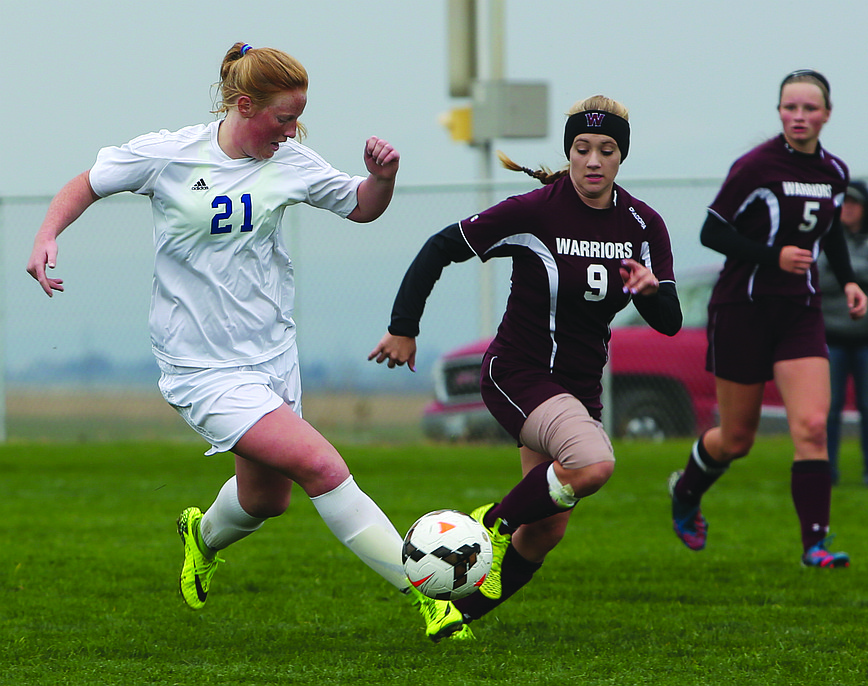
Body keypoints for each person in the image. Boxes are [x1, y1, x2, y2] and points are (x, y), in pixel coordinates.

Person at [25, 43, 467, 642]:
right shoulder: (170, 154)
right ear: (242, 104)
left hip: (272, 357)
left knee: (265, 499)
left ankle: (201, 536)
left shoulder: (291, 160)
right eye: (283, 118)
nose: (292, 130)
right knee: (321, 464)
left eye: (299, 117)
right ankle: (427, 594)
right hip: (201, 367)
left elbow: (361, 208)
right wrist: (48, 235)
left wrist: (382, 179)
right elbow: (87, 183)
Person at [370, 95, 681, 630]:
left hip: (578, 390)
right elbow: (440, 246)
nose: (592, 160)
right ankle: (487, 523)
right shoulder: (536, 210)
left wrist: (650, 292)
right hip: (518, 373)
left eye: (606, 150)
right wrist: (404, 327)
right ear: (569, 152)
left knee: (546, 531)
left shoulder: (642, 225)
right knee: (593, 463)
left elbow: (670, 320)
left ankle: (451, 613)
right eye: (582, 148)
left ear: (620, 158)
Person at [666, 70, 866, 567]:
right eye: (790, 108)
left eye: (809, 109)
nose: (799, 117)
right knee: (736, 439)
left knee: (813, 425)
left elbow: (832, 235)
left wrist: (850, 280)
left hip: (800, 311)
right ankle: (686, 492)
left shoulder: (835, 172)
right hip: (743, 309)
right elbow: (712, 232)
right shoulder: (755, 167)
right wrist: (772, 255)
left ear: (827, 114)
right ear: (779, 112)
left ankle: (814, 545)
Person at [817, 180, 868, 487]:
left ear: (867, 208)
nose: (848, 208)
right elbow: (820, 277)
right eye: (844, 203)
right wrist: (854, 271)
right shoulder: (824, 238)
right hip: (832, 335)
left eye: (855, 203)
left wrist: (844, 269)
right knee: (829, 408)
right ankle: (827, 469)